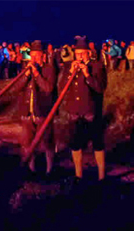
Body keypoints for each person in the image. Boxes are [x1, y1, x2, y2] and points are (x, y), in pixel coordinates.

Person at [58, 36, 107, 183]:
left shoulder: (97, 66)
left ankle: (101, 176)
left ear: (88, 53)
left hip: (91, 112)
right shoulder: (69, 67)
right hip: (74, 112)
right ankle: (78, 175)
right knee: (75, 145)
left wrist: (87, 74)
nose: (79, 56)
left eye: (82, 53)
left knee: (98, 145)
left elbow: (100, 88)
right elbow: (62, 88)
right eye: (77, 53)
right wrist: (69, 73)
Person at [9, 40, 56, 176]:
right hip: (26, 111)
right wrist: (27, 75)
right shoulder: (25, 68)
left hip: (42, 110)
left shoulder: (49, 69)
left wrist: (36, 74)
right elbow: (16, 88)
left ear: (42, 56)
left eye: (37, 55)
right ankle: (31, 169)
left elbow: (48, 88)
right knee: (27, 142)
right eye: (32, 55)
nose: (34, 58)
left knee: (47, 141)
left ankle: (50, 169)